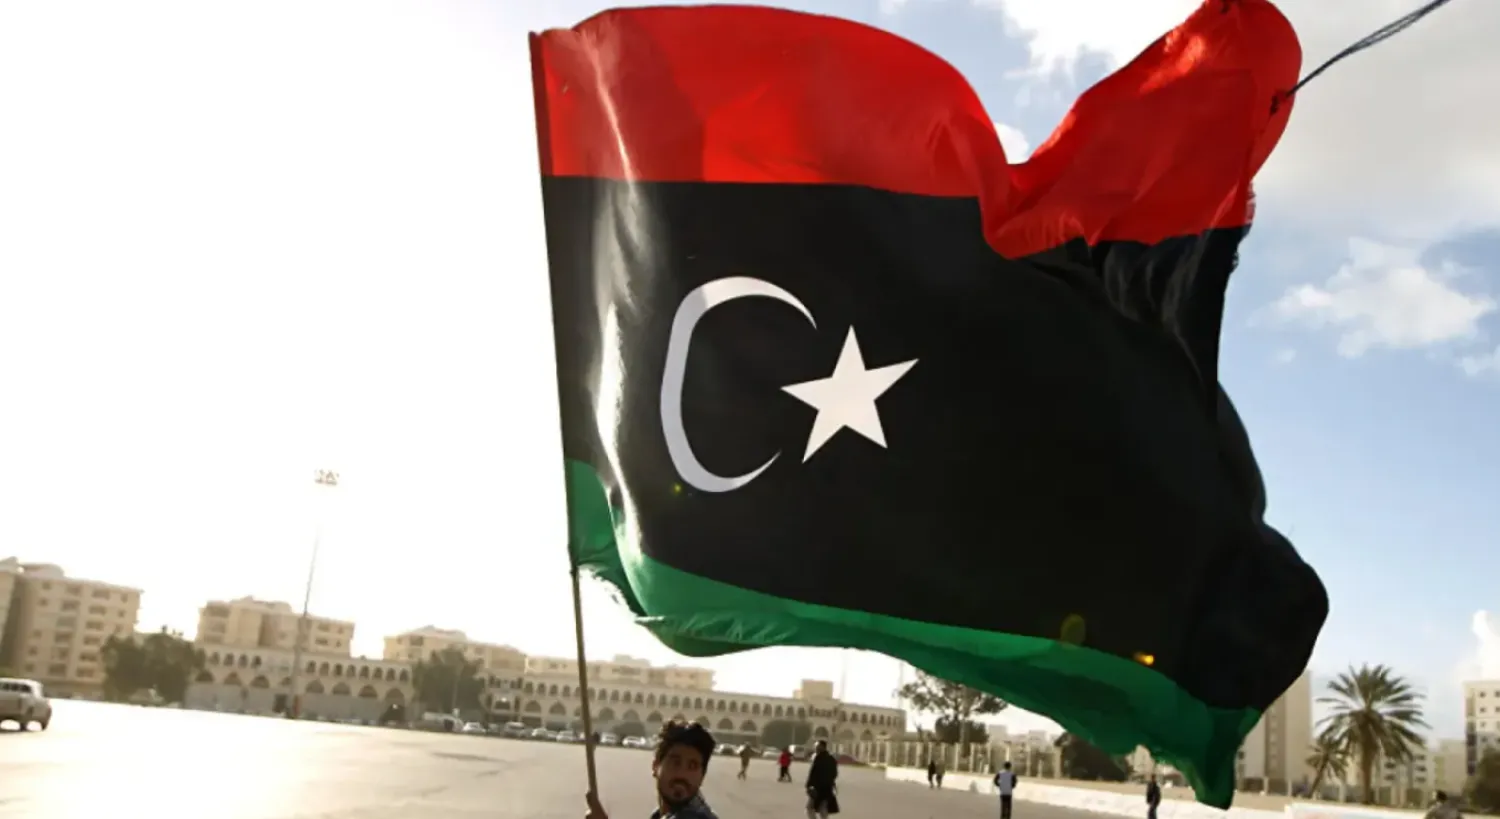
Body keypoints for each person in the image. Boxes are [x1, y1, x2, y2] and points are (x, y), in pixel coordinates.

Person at [583, 720, 719, 819]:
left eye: (692, 766)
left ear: (702, 776)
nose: (682, 774)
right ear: (656, 766)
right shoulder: (659, 815)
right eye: (675, 763)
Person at [806, 740, 840, 819]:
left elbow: (813, 774)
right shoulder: (831, 759)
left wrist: (809, 785)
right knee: (823, 808)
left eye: (817, 747)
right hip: (827, 788)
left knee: (810, 808)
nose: (815, 749)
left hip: (818, 788)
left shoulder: (819, 758)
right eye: (815, 747)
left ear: (822, 747)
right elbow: (834, 774)